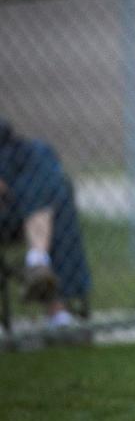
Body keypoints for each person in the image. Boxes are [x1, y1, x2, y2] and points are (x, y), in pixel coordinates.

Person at [0, 119, 91, 327]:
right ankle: (53, 300)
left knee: (41, 154)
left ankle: (38, 262)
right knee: (56, 193)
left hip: (15, 201)